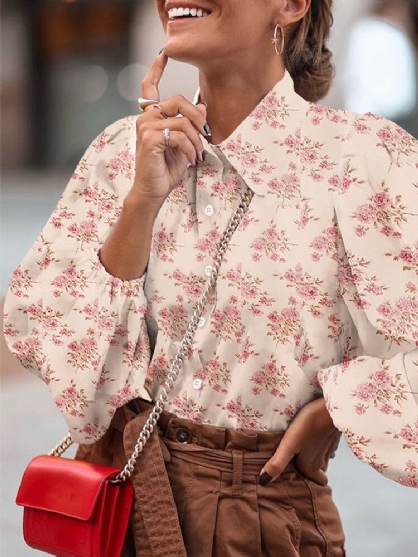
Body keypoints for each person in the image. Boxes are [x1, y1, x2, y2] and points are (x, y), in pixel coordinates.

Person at [4, 0, 418, 555]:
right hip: (124, 509)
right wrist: (142, 202)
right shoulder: (121, 152)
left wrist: (340, 407)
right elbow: (61, 353)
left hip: (264, 520)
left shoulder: (362, 160)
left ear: (290, 6)